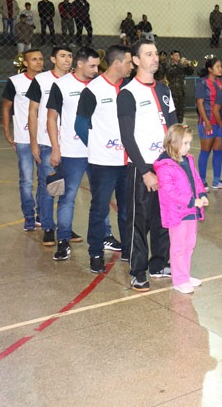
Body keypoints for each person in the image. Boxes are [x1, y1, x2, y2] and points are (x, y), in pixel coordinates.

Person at [118, 39, 176, 291]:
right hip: (141, 167)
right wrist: (144, 171)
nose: (155, 58)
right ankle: (138, 270)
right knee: (139, 220)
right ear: (136, 60)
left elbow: (173, 127)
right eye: (148, 54)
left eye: (155, 54)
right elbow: (127, 137)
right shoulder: (128, 93)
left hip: (166, 164)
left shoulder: (164, 89)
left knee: (163, 217)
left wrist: (175, 161)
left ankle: (159, 262)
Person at [74, 45, 134, 273]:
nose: (132, 66)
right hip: (103, 162)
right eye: (129, 62)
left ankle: (129, 250)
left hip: (128, 161)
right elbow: (80, 125)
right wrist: (97, 146)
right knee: (99, 208)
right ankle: (96, 253)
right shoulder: (93, 90)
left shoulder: (130, 88)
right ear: (117, 63)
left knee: (127, 209)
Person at [46, 48, 100, 260]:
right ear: (79, 64)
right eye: (92, 66)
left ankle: (105, 235)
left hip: (99, 153)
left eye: (98, 66)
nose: (96, 70)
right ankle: (64, 240)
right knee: (67, 198)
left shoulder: (100, 85)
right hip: (71, 152)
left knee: (101, 198)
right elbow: (52, 118)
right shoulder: (62, 85)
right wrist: (56, 148)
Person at [153, 124, 207, 294]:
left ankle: (185, 274)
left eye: (189, 143)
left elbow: (196, 180)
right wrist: (192, 201)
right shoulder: (165, 165)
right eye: (185, 143)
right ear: (173, 143)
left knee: (189, 244)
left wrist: (202, 194)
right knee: (178, 246)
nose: (188, 147)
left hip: (191, 210)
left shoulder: (188, 159)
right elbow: (169, 191)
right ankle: (179, 279)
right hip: (176, 212)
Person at [27, 46, 73, 246]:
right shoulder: (41, 80)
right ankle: (47, 226)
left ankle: (65, 227)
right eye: (63, 56)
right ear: (53, 59)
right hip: (46, 142)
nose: (67, 60)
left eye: (70, 56)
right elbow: (33, 111)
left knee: (69, 189)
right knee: (49, 187)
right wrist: (34, 142)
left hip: (72, 144)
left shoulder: (75, 80)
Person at [2, 49, 44, 230]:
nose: (39, 62)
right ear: (25, 63)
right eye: (34, 59)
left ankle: (43, 214)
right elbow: (6, 107)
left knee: (45, 179)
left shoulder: (48, 80)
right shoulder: (15, 82)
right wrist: (6, 131)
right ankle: (28, 217)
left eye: (41, 59)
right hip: (24, 139)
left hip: (45, 138)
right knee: (26, 179)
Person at [195, 57, 222, 189]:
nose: (220, 69)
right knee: (205, 151)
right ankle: (201, 180)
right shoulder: (202, 83)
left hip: (219, 122)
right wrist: (206, 122)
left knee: (218, 151)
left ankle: (217, 180)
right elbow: (200, 104)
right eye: (217, 66)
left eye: (221, 66)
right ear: (210, 69)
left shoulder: (221, 82)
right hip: (207, 122)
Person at [166, 50, 195, 123]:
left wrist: (188, 65)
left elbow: (190, 72)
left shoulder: (181, 66)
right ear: (171, 56)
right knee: (173, 111)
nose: (178, 57)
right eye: (176, 55)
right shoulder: (169, 65)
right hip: (173, 91)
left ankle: (179, 125)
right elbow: (171, 73)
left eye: (178, 55)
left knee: (181, 111)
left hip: (182, 92)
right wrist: (181, 65)